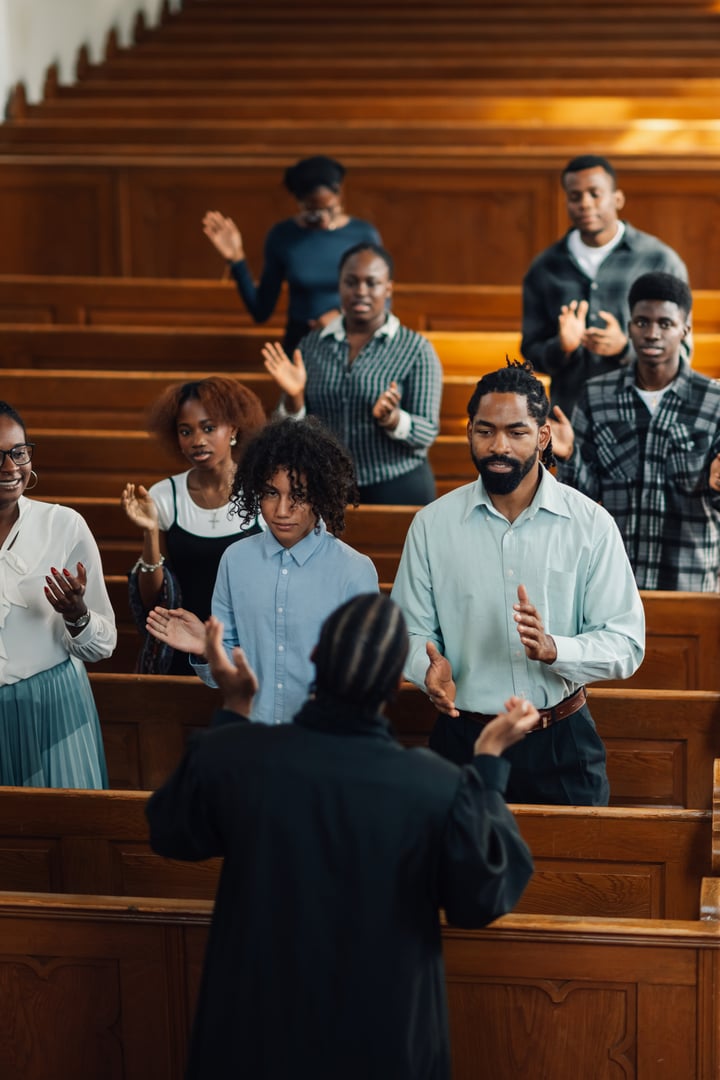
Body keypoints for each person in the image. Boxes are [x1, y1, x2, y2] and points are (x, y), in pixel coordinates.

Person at [146, 593, 535, 1080]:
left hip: (256, 1038)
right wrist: (488, 763)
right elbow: (483, 896)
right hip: (380, 1042)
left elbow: (172, 832)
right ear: (394, 683)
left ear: (315, 655)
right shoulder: (437, 786)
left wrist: (234, 709)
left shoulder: (238, 755)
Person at [390, 360, 645, 805]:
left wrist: (555, 649)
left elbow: (626, 643)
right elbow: (409, 632)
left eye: (516, 432)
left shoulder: (590, 524)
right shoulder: (431, 526)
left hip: (561, 741)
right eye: (485, 431)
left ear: (543, 436)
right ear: (469, 432)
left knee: (577, 855)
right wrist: (425, 669)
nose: (499, 446)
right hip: (463, 739)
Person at [145, 417, 379, 724]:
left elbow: (368, 678)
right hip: (252, 735)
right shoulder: (235, 560)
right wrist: (208, 648)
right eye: (271, 493)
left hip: (323, 738)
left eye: (298, 496)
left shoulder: (354, 570)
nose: (281, 511)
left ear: (321, 495)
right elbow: (224, 677)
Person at [553, 272, 720, 592]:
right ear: (629, 327)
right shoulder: (596, 395)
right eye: (642, 322)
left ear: (685, 330)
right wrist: (569, 455)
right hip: (616, 580)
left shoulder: (714, 401)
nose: (652, 334)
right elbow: (582, 499)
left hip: (690, 580)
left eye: (665, 324)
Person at [262, 242, 443, 505]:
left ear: (388, 288)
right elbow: (288, 431)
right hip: (326, 485)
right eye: (351, 282)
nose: (360, 291)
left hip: (397, 484)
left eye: (372, 283)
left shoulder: (417, 349)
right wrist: (295, 397)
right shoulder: (311, 346)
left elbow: (427, 431)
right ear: (339, 285)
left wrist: (393, 419)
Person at [0, 402, 116, 788]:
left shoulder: (63, 525)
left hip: (52, 707)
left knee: (57, 820)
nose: (10, 467)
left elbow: (104, 644)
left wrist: (77, 615)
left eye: (19, 452)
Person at [521, 154, 689, 417]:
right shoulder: (544, 267)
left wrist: (625, 348)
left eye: (595, 194)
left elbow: (682, 351)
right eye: (575, 196)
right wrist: (561, 347)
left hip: (641, 416)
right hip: (571, 417)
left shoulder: (659, 261)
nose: (585, 204)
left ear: (617, 199)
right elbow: (531, 352)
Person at [121, 377, 267, 675]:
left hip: (249, 646)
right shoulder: (165, 495)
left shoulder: (262, 491)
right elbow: (152, 599)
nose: (197, 440)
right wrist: (150, 532)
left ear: (233, 429)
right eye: (185, 431)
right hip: (183, 645)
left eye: (208, 428)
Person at [202, 155, 381, 353]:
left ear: (340, 195)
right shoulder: (283, 236)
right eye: (313, 212)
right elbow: (261, 312)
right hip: (301, 347)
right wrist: (236, 259)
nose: (323, 220)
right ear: (299, 203)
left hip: (355, 344)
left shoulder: (363, 235)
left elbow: (382, 298)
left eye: (330, 210)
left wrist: (342, 316)